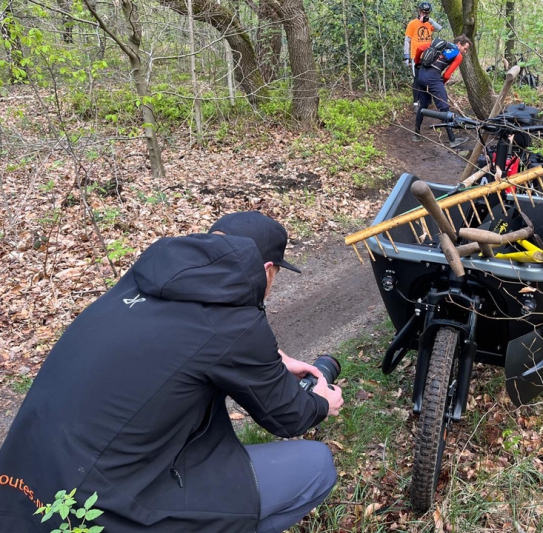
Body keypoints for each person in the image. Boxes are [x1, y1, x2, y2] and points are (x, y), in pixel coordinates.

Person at [0, 211, 344, 533]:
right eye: (277, 276)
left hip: (21, 485)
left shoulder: (145, 279)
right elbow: (288, 418)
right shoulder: (235, 320)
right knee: (316, 467)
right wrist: (321, 402)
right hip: (100, 506)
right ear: (267, 269)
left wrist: (272, 358)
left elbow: (174, 347)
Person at [412, 34, 472, 148]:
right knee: (444, 108)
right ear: (459, 44)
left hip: (421, 75)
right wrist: (440, 84)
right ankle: (452, 140)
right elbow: (447, 75)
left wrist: (417, 62)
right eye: (465, 48)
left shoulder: (439, 44)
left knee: (423, 105)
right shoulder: (458, 55)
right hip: (433, 78)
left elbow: (419, 49)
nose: (464, 52)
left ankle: (416, 134)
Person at [403, 2, 443, 78]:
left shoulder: (430, 23)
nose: (425, 14)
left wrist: (430, 20)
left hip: (429, 55)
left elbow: (439, 28)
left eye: (427, 13)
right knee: (418, 78)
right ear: (419, 11)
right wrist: (406, 56)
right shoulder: (412, 23)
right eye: (423, 12)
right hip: (416, 56)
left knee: (428, 78)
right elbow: (407, 40)